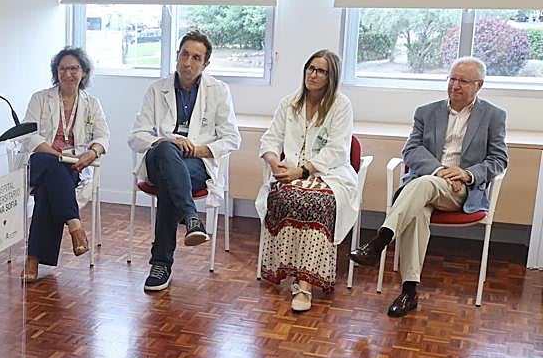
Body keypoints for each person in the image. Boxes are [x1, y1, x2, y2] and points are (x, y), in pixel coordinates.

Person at [350, 56, 508, 317]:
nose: (455, 85)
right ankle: (409, 292)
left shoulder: (493, 116)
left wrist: (467, 174)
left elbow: (498, 160)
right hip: (427, 183)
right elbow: (411, 149)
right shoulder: (426, 112)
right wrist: (439, 171)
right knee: (419, 209)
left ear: (478, 85)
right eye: (452, 79)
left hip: (460, 191)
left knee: (421, 187)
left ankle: (379, 242)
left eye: (463, 81)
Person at [128, 30, 241, 292]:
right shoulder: (157, 89)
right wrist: (169, 141)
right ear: (177, 55)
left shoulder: (218, 91)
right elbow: (136, 136)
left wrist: (199, 150)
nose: (187, 62)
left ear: (206, 64)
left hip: (196, 164)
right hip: (159, 158)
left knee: (170, 184)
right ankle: (191, 216)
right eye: (184, 55)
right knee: (167, 150)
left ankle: (160, 263)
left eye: (196, 58)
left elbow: (232, 139)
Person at [255, 50, 357, 312]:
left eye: (321, 71)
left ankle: (305, 285)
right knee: (283, 197)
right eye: (310, 68)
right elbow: (270, 139)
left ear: (331, 77)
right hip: (290, 173)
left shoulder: (341, 105)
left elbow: (337, 150)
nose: (313, 74)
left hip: (329, 175)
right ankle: (289, 269)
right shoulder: (289, 103)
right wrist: (273, 161)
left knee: (316, 202)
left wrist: (302, 172)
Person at [20, 47, 109, 282]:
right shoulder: (40, 98)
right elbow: (28, 136)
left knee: (48, 190)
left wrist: (92, 153)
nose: (68, 74)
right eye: (62, 69)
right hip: (41, 160)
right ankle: (75, 226)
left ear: (84, 72)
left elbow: (103, 136)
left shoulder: (92, 103)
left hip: (74, 165)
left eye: (73, 68)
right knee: (52, 165)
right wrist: (55, 155)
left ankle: (33, 258)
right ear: (56, 72)